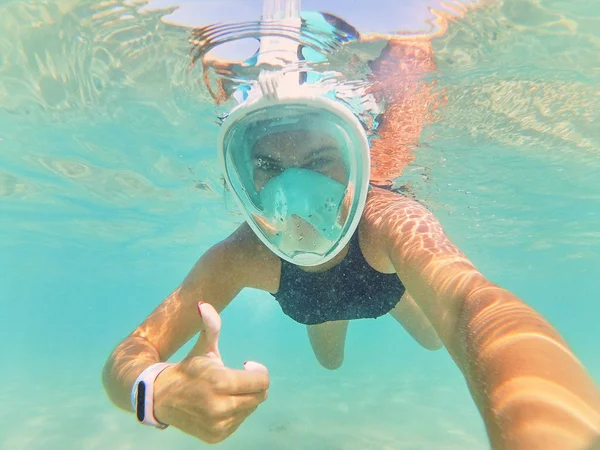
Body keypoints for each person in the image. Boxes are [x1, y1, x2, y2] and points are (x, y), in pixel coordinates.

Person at [102, 11, 600, 449]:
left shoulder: (389, 222)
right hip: (312, 304)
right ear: (243, 175)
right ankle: (339, 314)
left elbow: (476, 304)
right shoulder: (243, 254)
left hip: (386, 283)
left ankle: (399, 292)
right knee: (331, 363)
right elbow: (132, 351)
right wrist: (157, 392)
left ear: (358, 164)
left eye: (320, 160)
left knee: (434, 339)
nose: (294, 192)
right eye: (270, 166)